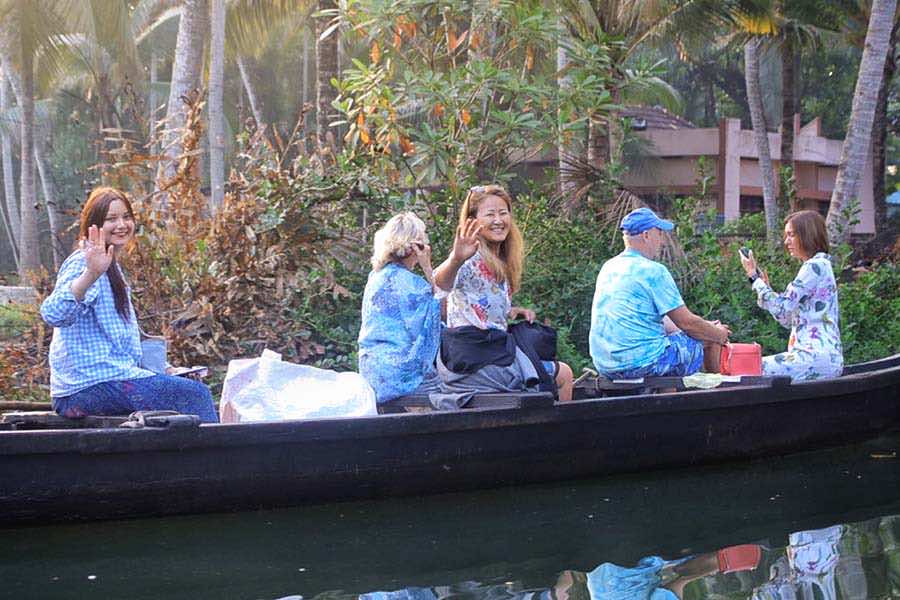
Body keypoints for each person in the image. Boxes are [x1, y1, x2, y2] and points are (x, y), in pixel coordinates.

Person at [40, 187, 218, 422]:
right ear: (93, 226)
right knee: (195, 395)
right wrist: (90, 275)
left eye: (126, 217)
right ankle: (217, 448)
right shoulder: (84, 262)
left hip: (109, 379)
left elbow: (123, 344)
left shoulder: (111, 266)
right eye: (111, 219)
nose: (121, 225)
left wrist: (167, 370)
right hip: (85, 388)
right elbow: (53, 314)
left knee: (184, 395)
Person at [433, 184, 574, 401]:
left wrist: (511, 311)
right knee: (563, 374)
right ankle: (555, 425)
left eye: (503, 213)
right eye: (490, 214)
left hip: (491, 354)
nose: (498, 220)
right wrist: (455, 259)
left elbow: (478, 303)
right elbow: (439, 284)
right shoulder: (469, 257)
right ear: (472, 221)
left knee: (535, 347)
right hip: (475, 361)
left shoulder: (499, 261)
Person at [589, 207, 730, 380]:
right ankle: (717, 391)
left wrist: (706, 325)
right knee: (710, 338)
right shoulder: (653, 271)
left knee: (681, 338)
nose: (662, 241)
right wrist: (719, 334)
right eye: (659, 233)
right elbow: (687, 323)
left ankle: (668, 396)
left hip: (606, 365)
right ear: (646, 235)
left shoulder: (609, 267)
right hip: (643, 363)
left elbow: (664, 322)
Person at [739, 210, 843, 381]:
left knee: (747, 368)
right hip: (820, 357)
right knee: (750, 367)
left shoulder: (814, 266)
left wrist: (754, 278)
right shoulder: (820, 265)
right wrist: (766, 288)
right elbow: (787, 319)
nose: (786, 241)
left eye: (791, 235)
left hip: (814, 356)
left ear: (807, 235)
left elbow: (782, 306)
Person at [358, 212, 445, 404]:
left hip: (370, 368)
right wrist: (427, 268)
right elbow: (436, 321)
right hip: (398, 372)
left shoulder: (374, 277)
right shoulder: (414, 285)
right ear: (416, 247)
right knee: (446, 389)